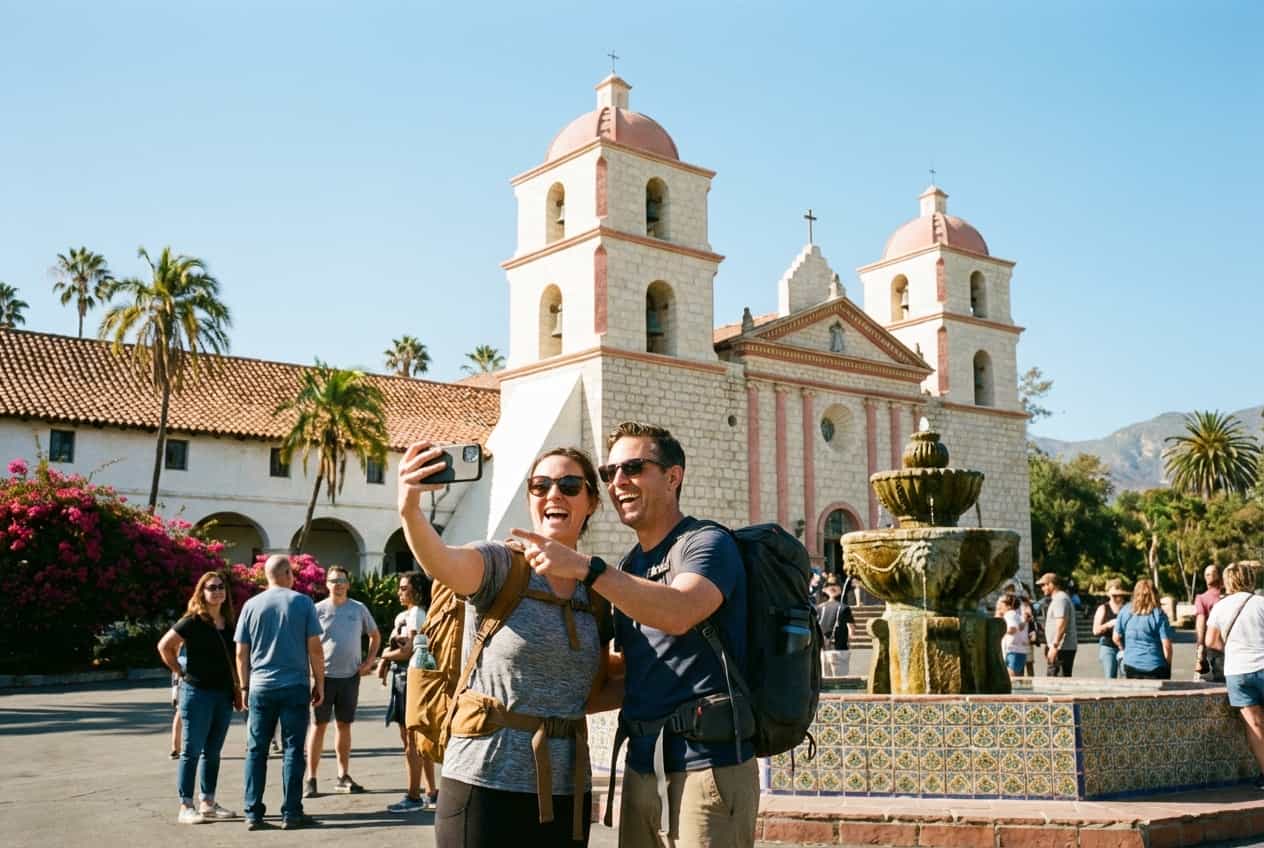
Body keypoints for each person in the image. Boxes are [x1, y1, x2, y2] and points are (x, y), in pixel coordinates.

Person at [515, 421, 759, 848]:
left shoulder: (705, 543)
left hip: (707, 768)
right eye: (609, 473)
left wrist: (586, 568)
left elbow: (681, 611)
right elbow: (629, 672)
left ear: (672, 476)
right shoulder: (630, 567)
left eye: (632, 468)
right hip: (642, 768)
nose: (618, 482)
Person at [399, 440, 611, 847]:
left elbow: (595, 687)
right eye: (540, 485)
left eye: (569, 485)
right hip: (484, 779)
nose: (554, 494)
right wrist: (409, 508)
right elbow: (441, 561)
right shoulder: (501, 564)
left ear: (591, 502)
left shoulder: (596, 590)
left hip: (568, 789)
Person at [234, 554, 324, 831]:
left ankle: (253, 813)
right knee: (293, 750)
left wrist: (245, 686)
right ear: (286, 573)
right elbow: (315, 649)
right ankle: (291, 812)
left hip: (261, 686)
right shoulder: (302, 602)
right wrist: (319, 682)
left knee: (256, 750)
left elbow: (241, 652)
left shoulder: (251, 605)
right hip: (294, 685)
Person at [157, 571, 241, 824]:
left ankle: (207, 802)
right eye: (211, 587)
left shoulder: (229, 622)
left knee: (213, 751)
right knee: (191, 751)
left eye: (221, 587)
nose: (217, 591)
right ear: (201, 593)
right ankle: (186, 805)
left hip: (223, 693)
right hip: (197, 693)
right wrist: (179, 671)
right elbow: (164, 646)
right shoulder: (192, 621)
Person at [303, 565, 380, 798]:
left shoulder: (358, 609)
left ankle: (342, 775)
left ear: (348, 584)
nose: (338, 584)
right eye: (333, 580)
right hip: (323, 678)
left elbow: (374, 635)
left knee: (344, 726)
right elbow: (306, 642)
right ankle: (311, 779)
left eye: (342, 580)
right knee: (318, 726)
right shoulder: (317, 610)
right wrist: (311, 672)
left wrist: (368, 663)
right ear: (326, 584)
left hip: (350, 678)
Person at [378, 570, 438, 814]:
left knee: (411, 741)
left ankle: (414, 795)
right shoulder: (404, 615)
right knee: (415, 741)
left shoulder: (417, 614)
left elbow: (408, 650)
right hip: (402, 679)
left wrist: (384, 656)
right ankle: (430, 791)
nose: (400, 592)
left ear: (417, 590)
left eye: (405, 588)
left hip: (409, 680)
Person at [1205, 562, 1264, 789]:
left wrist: (1232, 648)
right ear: (1251, 579)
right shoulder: (1261, 603)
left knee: (1255, 725)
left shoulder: (1220, 607)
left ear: (1227, 581)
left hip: (1238, 671)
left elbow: (1211, 640)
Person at [1113, 579, 1174, 679]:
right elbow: (1166, 645)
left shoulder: (1125, 611)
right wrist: (1168, 664)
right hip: (1155, 665)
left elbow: (1116, 637)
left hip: (1131, 664)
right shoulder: (1159, 615)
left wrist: (1125, 649)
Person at [1037, 572, 1077, 677]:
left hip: (1062, 649)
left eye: (1043, 585)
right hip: (1061, 647)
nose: (1042, 588)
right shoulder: (1059, 599)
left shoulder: (1060, 600)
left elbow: (1062, 624)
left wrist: (1054, 646)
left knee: (1057, 683)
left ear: (1051, 584)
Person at [816, 575, 854, 676]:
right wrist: (849, 642)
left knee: (825, 682)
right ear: (840, 590)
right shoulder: (844, 608)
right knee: (840, 682)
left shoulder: (819, 608)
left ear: (824, 590)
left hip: (823, 650)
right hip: (840, 649)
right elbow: (851, 631)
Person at [1092, 579, 1129, 679]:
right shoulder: (1103, 608)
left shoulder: (1128, 608)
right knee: (1110, 676)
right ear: (1109, 595)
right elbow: (1095, 630)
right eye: (1114, 596)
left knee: (1126, 676)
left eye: (1120, 595)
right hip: (1108, 647)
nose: (1118, 598)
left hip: (1126, 646)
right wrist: (1109, 624)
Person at [1195, 565, 1226, 682]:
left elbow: (1200, 623)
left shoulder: (1227, 596)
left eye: (1212, 573)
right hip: (1216, 646)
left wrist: (1200, 647)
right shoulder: (1202, 598)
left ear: (1219, 575)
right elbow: (1200, 623)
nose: (1209, 575)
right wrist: (1200, 647)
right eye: (1207, 574)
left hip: (1219, 646)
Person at [998, 594, 1029, 679]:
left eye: (1002, 604)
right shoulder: (1016, 615)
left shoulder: (1009, 614)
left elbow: (1012, 629)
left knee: (1011, 678)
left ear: (1008, 606)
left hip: (1013, 651)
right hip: (1019, 651)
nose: (1000, 606)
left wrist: (999, 632)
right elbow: (1020, 627)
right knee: (1017, 678)